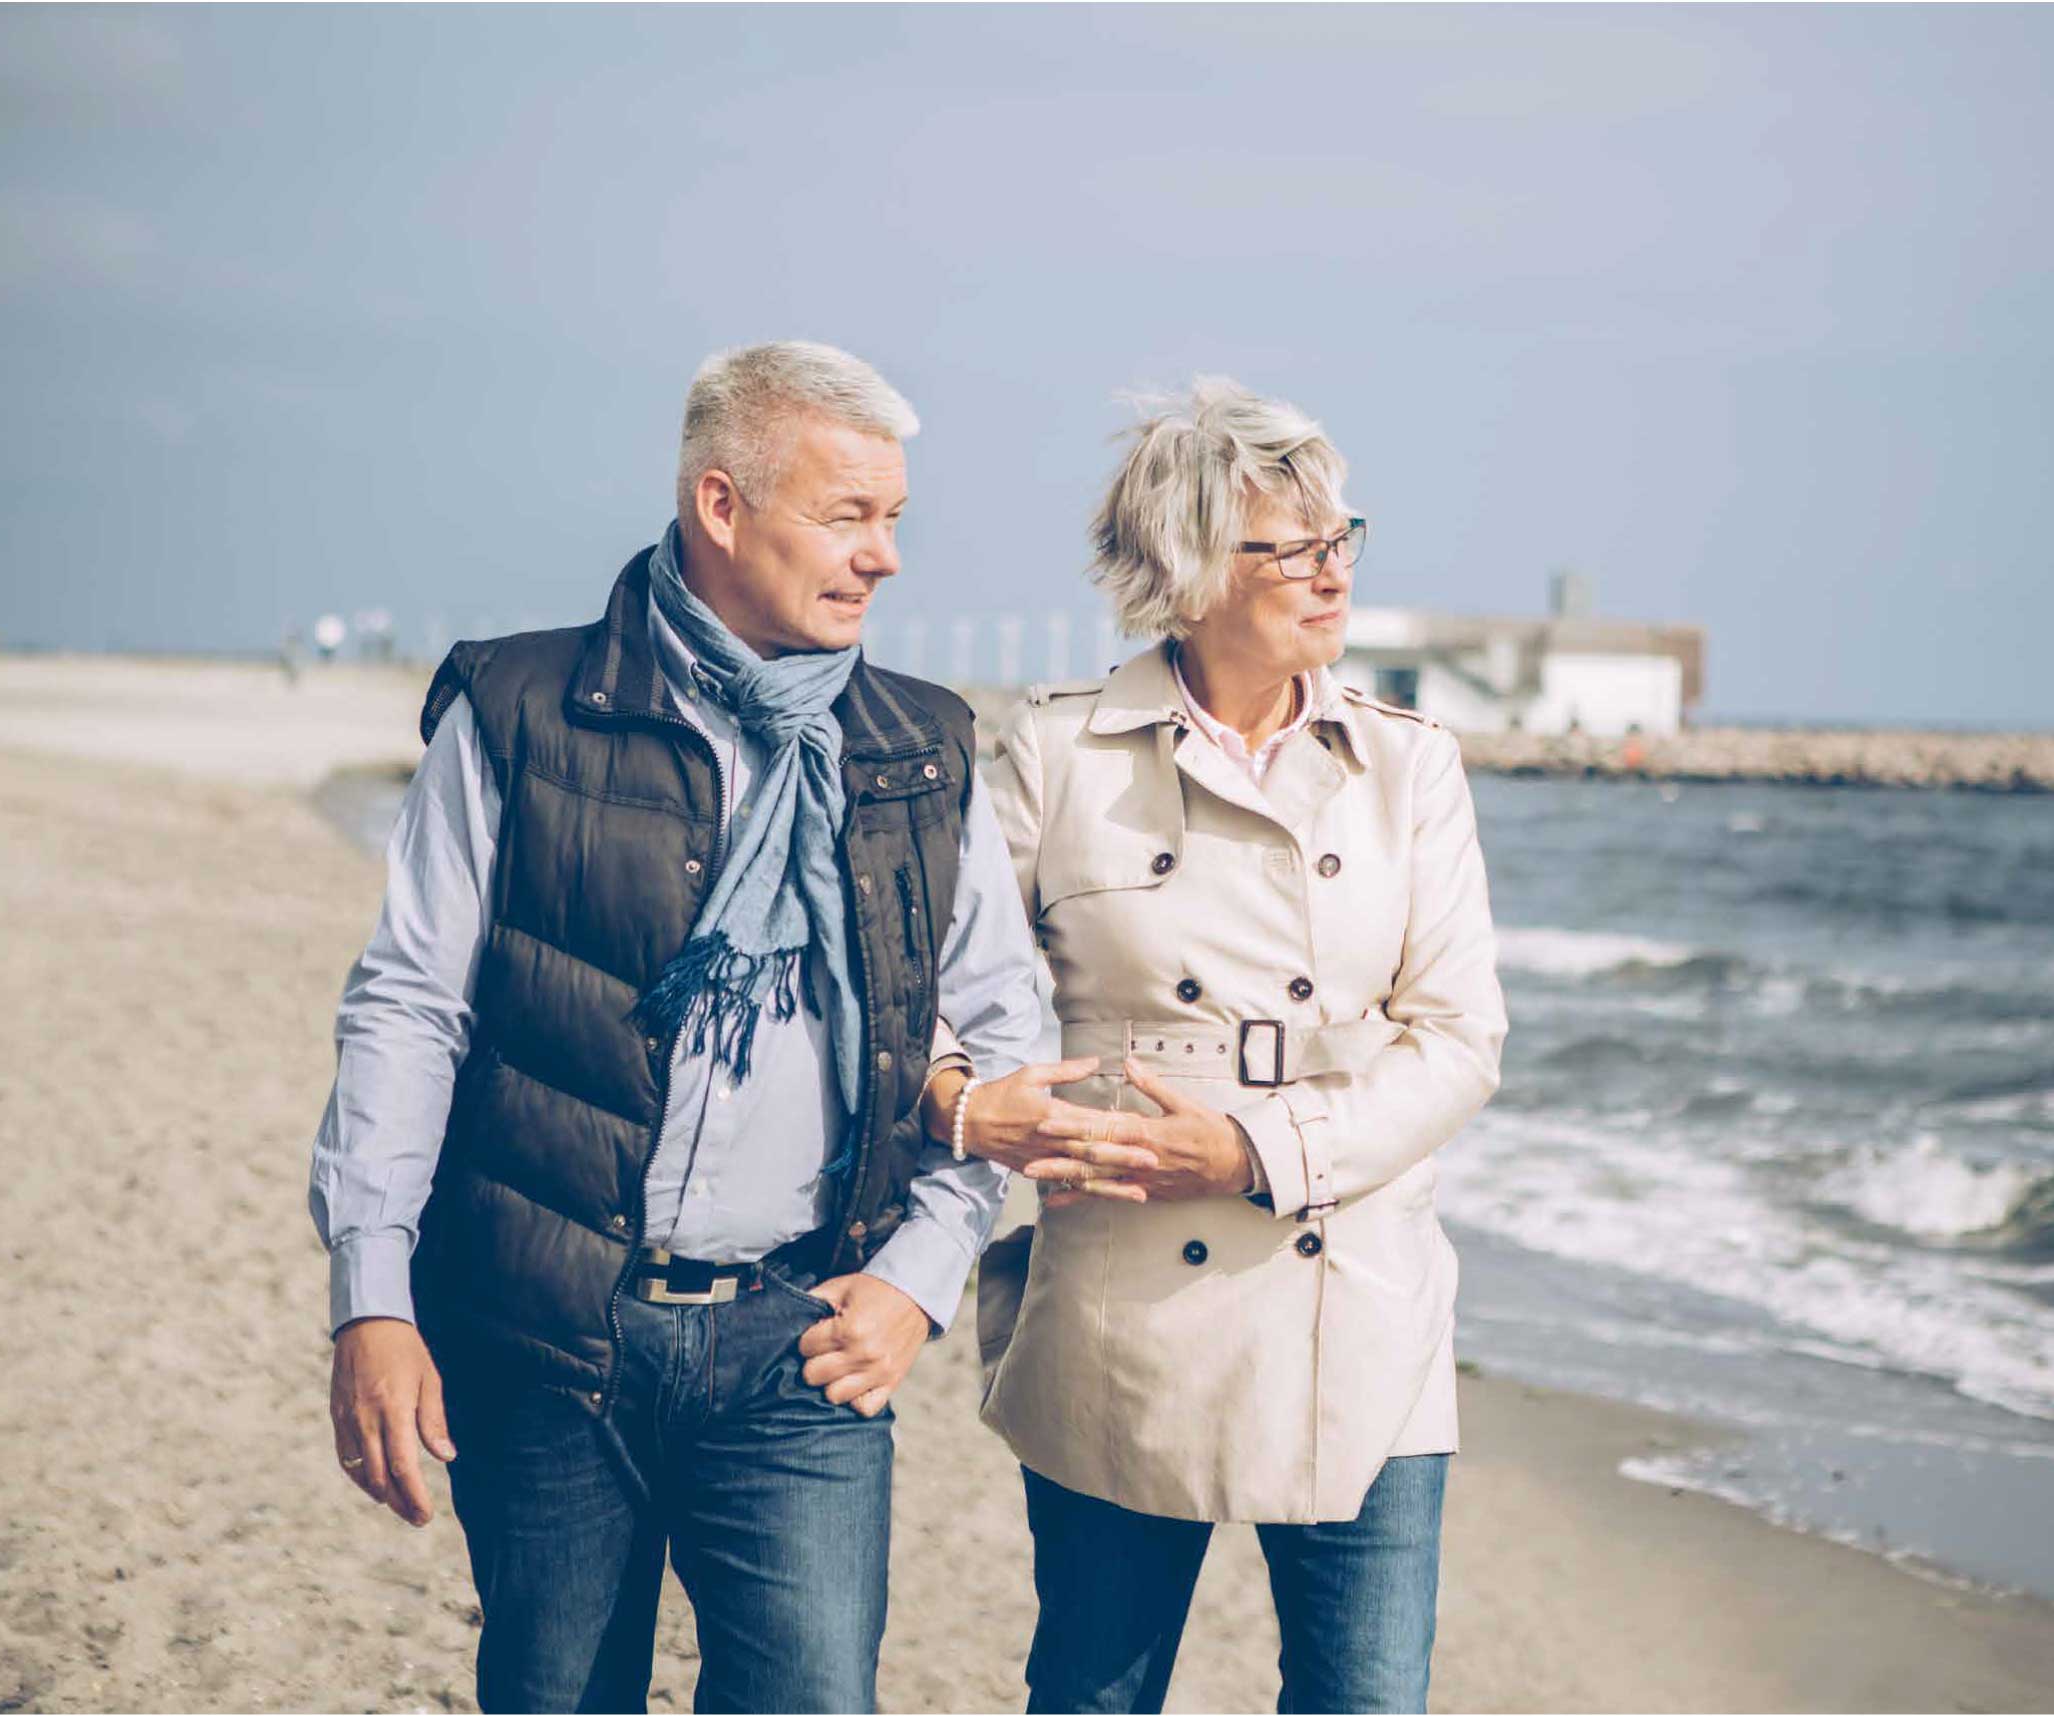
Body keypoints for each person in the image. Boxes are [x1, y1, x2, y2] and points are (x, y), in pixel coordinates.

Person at [308, 341, 1115, 1713]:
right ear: (721, 507)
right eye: (848, 516)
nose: (887, 559)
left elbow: (1001, 1031)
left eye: (896, 521)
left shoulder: (919, 746)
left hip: (806, 1333)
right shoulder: (519, 708)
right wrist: (370, 1299)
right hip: (548, 1329)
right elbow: (410, 1011)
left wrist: (919, 1279)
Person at [938, 378, 1506, 1713]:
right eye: (1289, 546)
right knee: (1092, 1694)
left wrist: (1253, 1146)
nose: (1330, 574)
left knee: (1364, 1701)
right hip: (1130, 1301)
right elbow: (950, 1007)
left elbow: (1459, 1037)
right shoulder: (1060, 755)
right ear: (1187, 573)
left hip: (1358, 1301)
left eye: (1338, 538)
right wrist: (978, 1117)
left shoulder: (1407, 765)